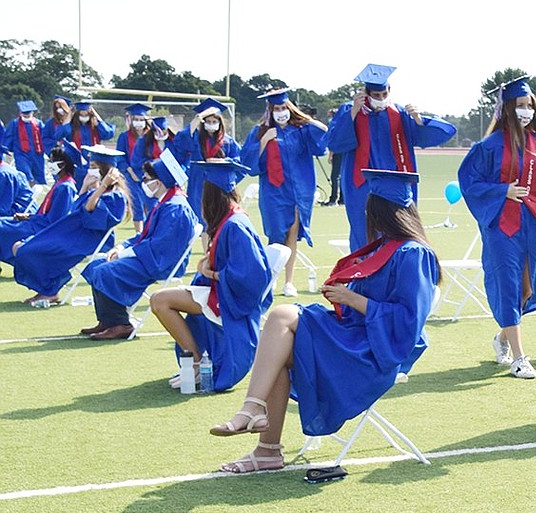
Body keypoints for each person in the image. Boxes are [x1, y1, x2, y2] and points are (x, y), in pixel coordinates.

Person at [209, 169, 440, 474]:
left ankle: (252, 410)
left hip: (375, 353)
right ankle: (266, 450)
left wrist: (352, 299)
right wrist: (342, 294)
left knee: (281, 316)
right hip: (353, 337)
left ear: (379, 212)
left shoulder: (414, 254)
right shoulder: (386, 248)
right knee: (278, 345)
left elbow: (408, 323)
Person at [458, 76, 536, 379]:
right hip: (502, 226)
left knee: (526, 290)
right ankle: (520, 358)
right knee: (508, 285)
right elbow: (470, 182)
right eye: (520, 106)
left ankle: (502, 337)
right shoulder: (489, 146)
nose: (525, 111)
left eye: (529, 106)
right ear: (507, 109)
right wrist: (503, 191)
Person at [149, 158, 273, 390]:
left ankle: (195, 362)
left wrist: (212, 274)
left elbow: (253, 276)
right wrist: (207, 264)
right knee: (160, 299)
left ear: (210, 196)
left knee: (159, 301)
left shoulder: (235, 225)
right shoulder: (229, 219)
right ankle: (194, 360)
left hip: (228, 296)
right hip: (218, 290)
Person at [323, 63, 456, 251]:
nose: (381, 99)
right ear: (366, 93)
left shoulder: (400, 113)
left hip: (396, 183)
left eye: (384, 94)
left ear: (389, 91)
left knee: (400, 232)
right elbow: (334, 143)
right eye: (376, 95)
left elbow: (436, 136)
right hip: (362, 185)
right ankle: (364, 276)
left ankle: (398, 274)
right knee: (364, 233)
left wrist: (418, 120)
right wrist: (353, 112)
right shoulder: (350, 110)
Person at [80, 150, 199, 340]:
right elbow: (143, 235)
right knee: (96, 265)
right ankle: (107, 320)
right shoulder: (164, 203)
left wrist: (127, 253)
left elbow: (162, 246)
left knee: (107, 271)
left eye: (146, 178)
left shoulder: (177, 208)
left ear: (158, 182)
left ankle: (121, 323)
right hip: (149, 254)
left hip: (161, 261)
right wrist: (120, 247)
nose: (143, 182)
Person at [11, 145, 130, 305]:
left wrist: (101, 187)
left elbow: (90, 213)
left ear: (106, 170)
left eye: (94, 167)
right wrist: (85, 187)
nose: (90, 170)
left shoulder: (116, 196)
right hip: (71, 233)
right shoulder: (94, 191)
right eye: (90, 166)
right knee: (21, 246)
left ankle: (50, 289)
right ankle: (48, 287)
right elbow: (75, 209)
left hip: (88, 239)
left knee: (29, 250)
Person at [240, 88, 327, 297]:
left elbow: (323, 135)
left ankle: (289, 282)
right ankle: (272, 279)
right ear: (270, 110)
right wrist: (264, 141)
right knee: (275, 235)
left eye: (284, 108)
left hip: (297, 191)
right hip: (273, 192)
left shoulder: (300, 130)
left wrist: (304, 117)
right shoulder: (260, 131)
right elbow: (249, 164)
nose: (281, 112)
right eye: (277, 108)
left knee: (292, 234)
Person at [0, 141, 84, 266]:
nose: (49, 164)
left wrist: (30, 218)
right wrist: (28, 216)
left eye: (52, 161)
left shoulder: (66, 188)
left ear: (62, 164)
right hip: (36, 222)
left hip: (42, 230)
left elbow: (55, 221)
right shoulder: (60, 183)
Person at [174, 98, 242, 223]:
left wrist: (225, 164)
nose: (211, 123)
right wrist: (199, 117)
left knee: (221, 220)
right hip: (198, 185)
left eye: (214, 121)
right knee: (202, 221)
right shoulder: (196, 139)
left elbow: (240, 162)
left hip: (220, 185)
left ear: (219, 122)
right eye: (208, 121)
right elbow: (180, 142)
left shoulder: (228, 142)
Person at [115, 103, 153, 231]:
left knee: (151, 204)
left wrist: (147, 173)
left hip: (149, 176)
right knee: (136, 205)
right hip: (130, 176)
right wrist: (130, 171)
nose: (138, 122)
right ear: (131, 120)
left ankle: (151, 231)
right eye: (136, 119)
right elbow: (120, 157)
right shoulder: (124, 137)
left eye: (141, 119)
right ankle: (139, 233)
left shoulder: (151, 137)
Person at [63, 99, 115, 186]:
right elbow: (60, 134)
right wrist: (69, 117)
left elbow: (108, 133)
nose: (84, 116)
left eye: (86, 114)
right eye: (81, 114)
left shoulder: (95, 126)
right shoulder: (72, 127)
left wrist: (97, 118)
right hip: (78, 163)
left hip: (94, 162)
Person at [4, 101, 47, 185]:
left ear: (33, 113)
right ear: (20, 113)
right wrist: (6, 150)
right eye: (24, 115)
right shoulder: (14, 124)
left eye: (28, 115)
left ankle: (32, 194)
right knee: (24, 175)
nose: (26, 117)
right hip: (21, 154)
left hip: (37, 154)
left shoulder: (38, 124)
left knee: (37, 177)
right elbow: (8, 138)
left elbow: (45, 138)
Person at [324, 109, 343, 206]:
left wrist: (330, 155)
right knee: (341, 176)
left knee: (334, 177)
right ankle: (342, 199)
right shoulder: (343, 125)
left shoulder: (334, 125)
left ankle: (333, 199)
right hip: (344, 152)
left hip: (337, 152)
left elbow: (333, 141)